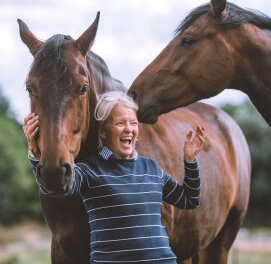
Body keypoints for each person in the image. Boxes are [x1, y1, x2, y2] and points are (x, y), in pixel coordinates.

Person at [23, 91, 206, 264]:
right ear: (103, 131)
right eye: (120, 123)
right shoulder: (89, 170)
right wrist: (35, 153)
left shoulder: (150, 167)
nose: (129, 129)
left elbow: (189, 199)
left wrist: (190, 160)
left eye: (133, 123)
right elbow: (55, 187)